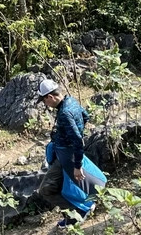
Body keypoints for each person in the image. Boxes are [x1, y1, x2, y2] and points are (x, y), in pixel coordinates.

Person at [37, 79, 95, 228]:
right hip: (66, 153)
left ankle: (76, 214)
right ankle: (85, 205)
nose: (45, 104)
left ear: (50, 97)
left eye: (44, 101)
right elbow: (86, 115)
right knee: (66, 185)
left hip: (66, 156)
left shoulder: (64, 113)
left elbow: (77, 139)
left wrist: (77, 165)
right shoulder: (72, 101)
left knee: (46, 190)